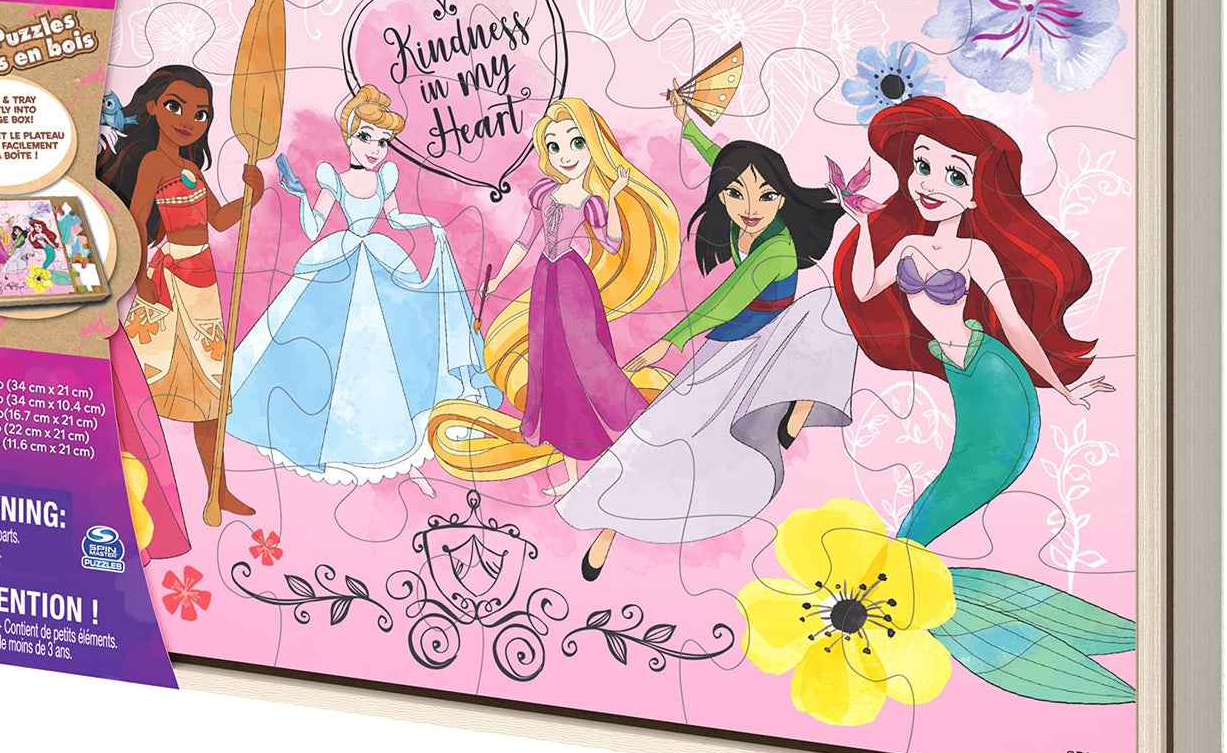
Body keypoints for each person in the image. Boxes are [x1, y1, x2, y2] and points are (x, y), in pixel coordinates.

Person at [560, 83, 856, 578]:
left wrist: (668, 342)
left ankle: (800, 403)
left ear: (782, 197)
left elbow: (725, 301)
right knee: (658, 430)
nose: (750, 207)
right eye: (736, 193)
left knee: (828, 314)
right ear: (722, 192)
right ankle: (606, 523)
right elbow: (721, 159)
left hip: (762, 341)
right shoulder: (744, 214)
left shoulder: (777, 249)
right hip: (730, 342)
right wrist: (687, 122)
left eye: (766, 195)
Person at [831, 95, 1114, 548]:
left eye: (955, 176)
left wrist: (1064, 390)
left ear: (974, 195)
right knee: (949, 489)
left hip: (992, 373)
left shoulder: (974, 253)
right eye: (922, 166)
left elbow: (1014, 324)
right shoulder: (908, 247)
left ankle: (906, 560)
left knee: (974, 474)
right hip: (958, 369)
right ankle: (908, 562)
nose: (931, 185)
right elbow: (864, 289)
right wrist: (864, 226)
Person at [225, 85, 496, 494]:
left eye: (383, 141)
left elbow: (397, 218)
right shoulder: (332, 179)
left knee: (392, 349)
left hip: (381, 259)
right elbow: (313, 228)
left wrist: (429, 224)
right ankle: (332, 439)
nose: (375, 149)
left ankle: (398, 435)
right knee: (333, 350)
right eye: (366, 137)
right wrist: (301, 197)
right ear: (349, 137)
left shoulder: (386, 177)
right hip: (341, 260)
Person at [428, 98, 680, 498]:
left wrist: (614, 197)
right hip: (546, 282)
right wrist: (498, 280)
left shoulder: (592, 202)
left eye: (576, 143)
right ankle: (572, 474)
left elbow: (612, 244)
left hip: (574, 284)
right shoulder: (544, 194)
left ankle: (632, 434)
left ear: (593, 144)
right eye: (555, 145)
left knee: (590, 364)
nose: (566, 154)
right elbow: (524, 241)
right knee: (552, 374)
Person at [97, 63, 265, 516]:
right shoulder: (154, 162)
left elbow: (219, 220)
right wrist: (140, 277)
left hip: (202, 285)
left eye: (201, 113)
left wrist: (251, 196)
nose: (188, 120)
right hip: (166, 284)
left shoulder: (191, 167)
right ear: (153, 106)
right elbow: (135, 218)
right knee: (137, 385)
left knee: (212, 393)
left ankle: (217, 489)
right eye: (176, 106)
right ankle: (120, 487)